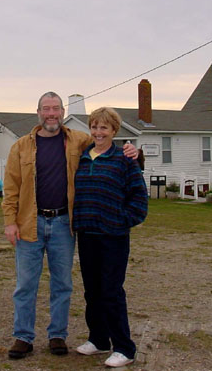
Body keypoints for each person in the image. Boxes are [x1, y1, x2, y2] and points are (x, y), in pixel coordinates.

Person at [2, 92, 137, 360]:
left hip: (65, 223)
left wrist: (132, 150)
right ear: (38, 112)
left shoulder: (79, 141)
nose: (51, 113)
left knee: (62, 283)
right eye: (46, 109)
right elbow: (11, 188)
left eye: (55, 108)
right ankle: (23, 337)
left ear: (62, 111)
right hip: (30, 223)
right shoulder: (20, 146)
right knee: (26, 284)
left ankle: (57, 335)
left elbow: (105, 145)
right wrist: (10, 222)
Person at [73, 107, 148, 368]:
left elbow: (139, 200)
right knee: (92, 291)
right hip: (87, 234)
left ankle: (124, 348)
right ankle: (98, 339)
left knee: (111, 291)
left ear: (114, 131)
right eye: (94, 126)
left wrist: (120, 221)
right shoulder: (83, 157)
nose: (98, 132)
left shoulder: (124, 159)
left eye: (104, 127)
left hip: (113, 237)